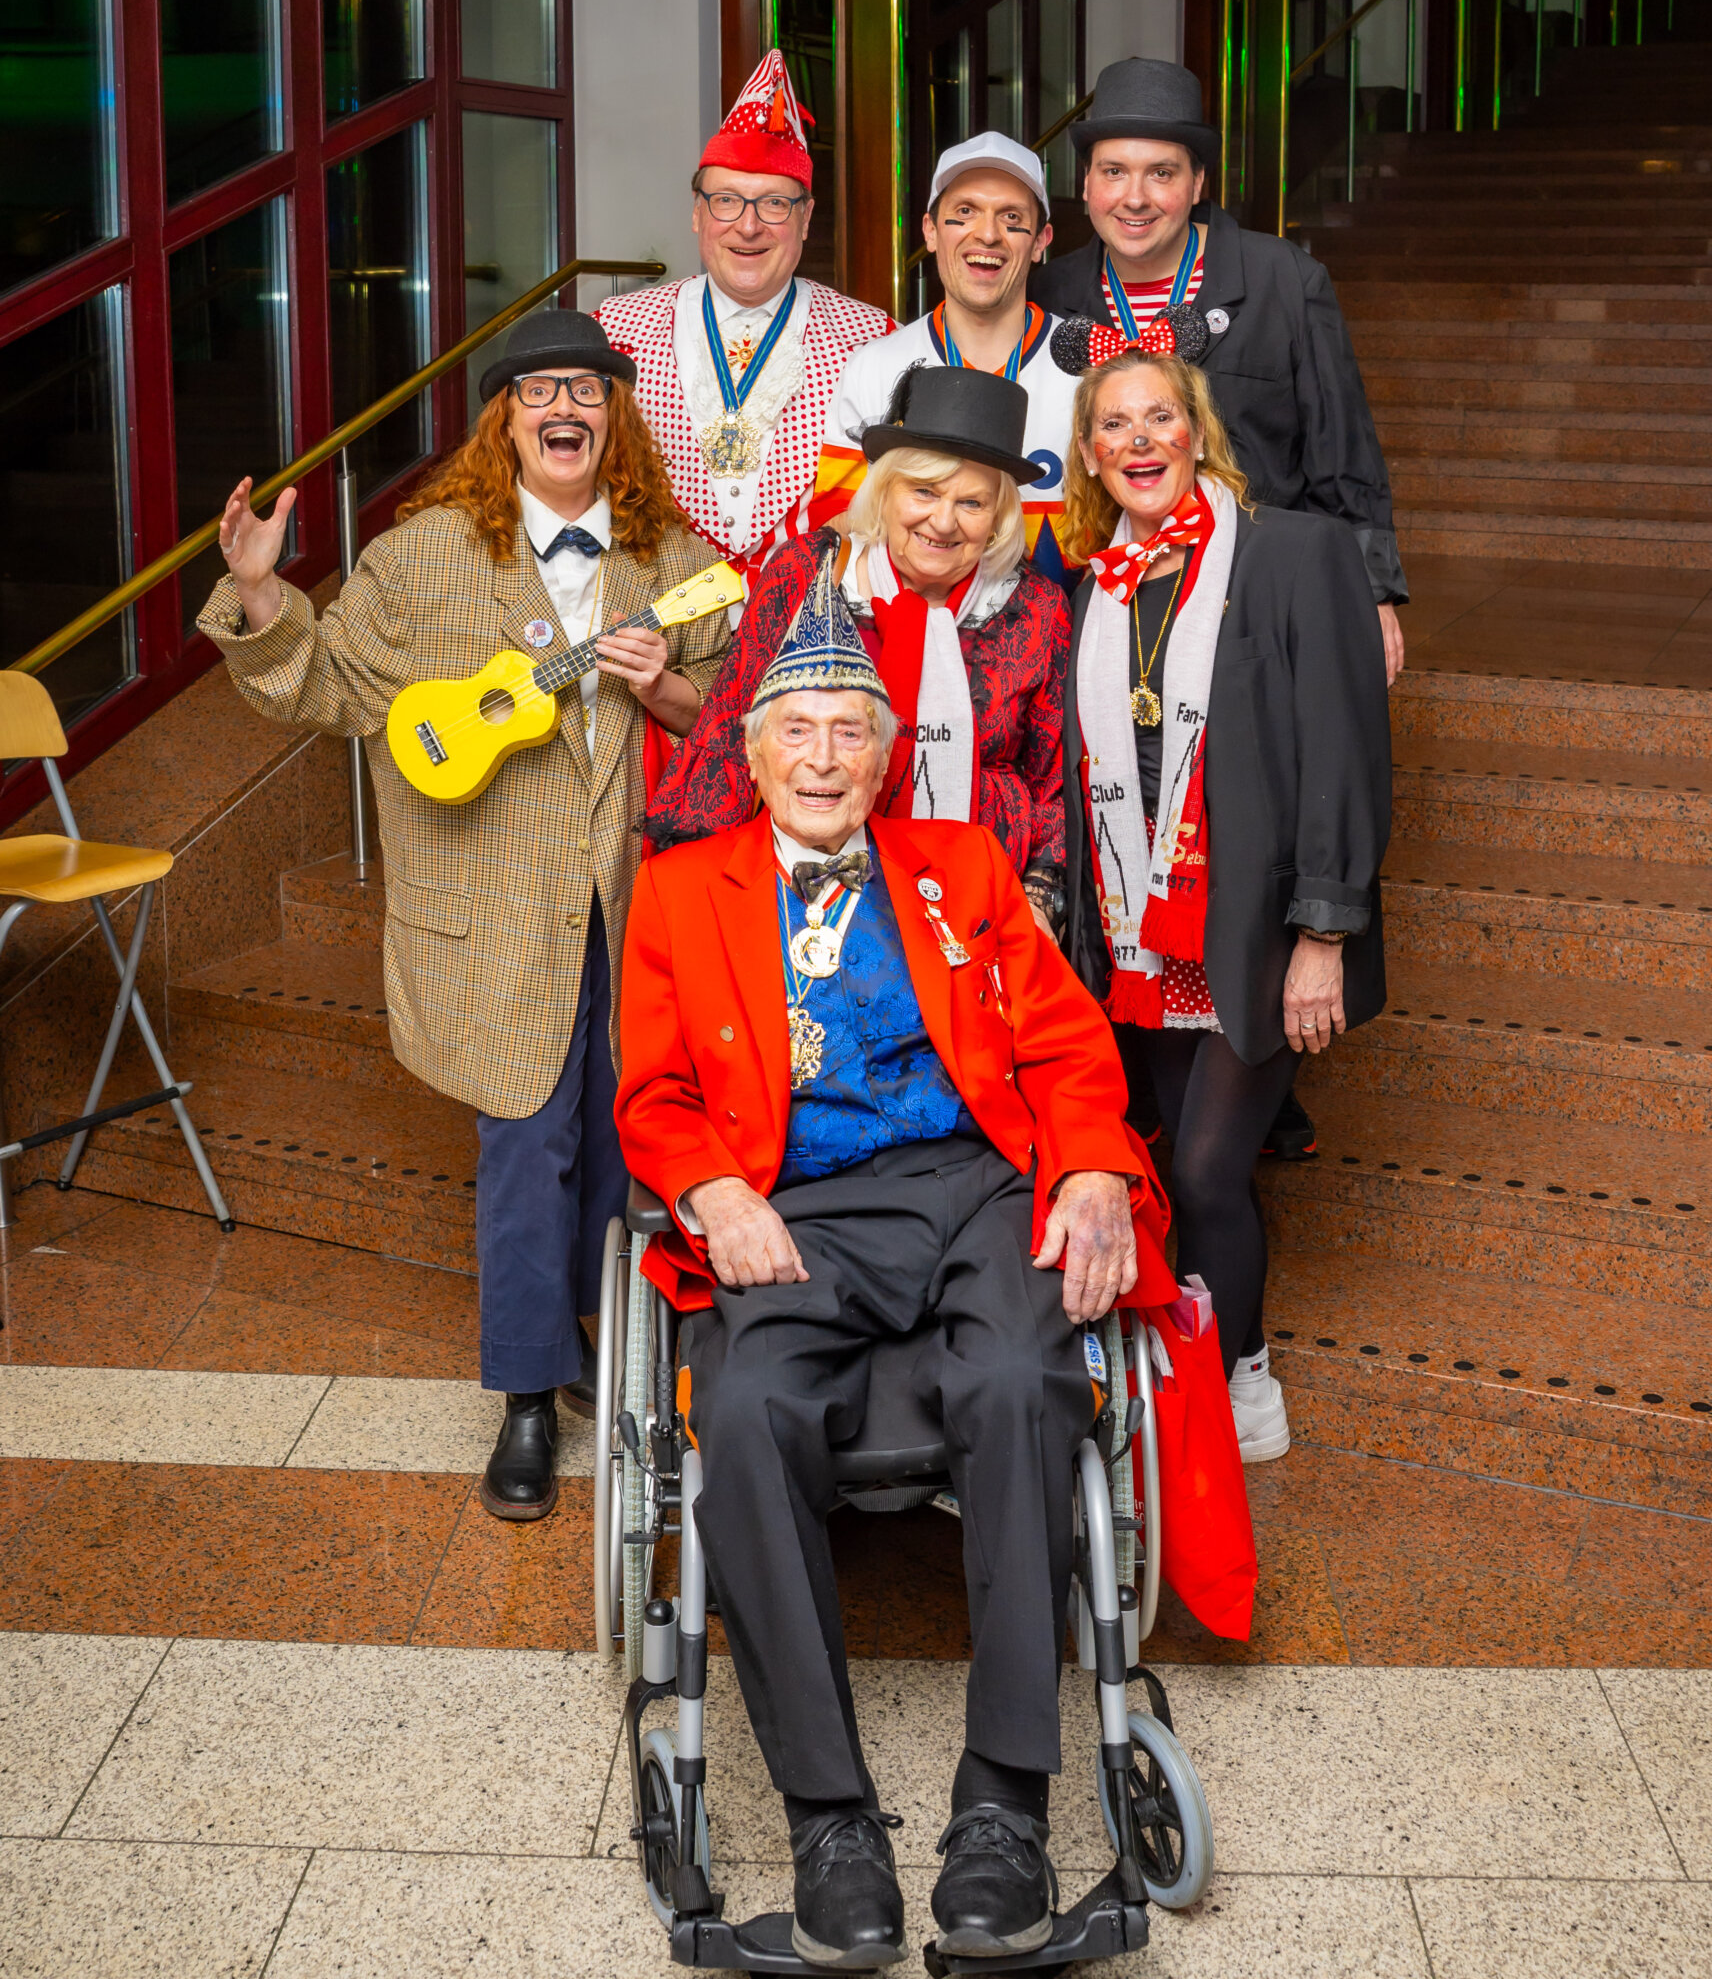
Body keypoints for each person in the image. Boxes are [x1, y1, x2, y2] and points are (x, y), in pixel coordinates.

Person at [616, 557, 1176, 1967]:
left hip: (972, 1183)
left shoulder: (963, 867)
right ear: (752, 754)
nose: (822, 758)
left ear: (883, 757)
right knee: (746, 1410)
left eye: (848, 733)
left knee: (1024, 1383)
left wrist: (1092, 1162)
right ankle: (830, 1822)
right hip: (796, 1202)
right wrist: (710, 1187)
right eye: (796, 732)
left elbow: (1063, 1042)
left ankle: (1004, 1806)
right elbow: (654, 1094)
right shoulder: (680, 891)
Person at [197, 309, 731, 1522]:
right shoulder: (421, 558)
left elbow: (740, 716)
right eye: (540, 390)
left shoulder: (672, 557)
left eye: (586, 390)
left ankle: (590, 1337)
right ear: (503, 419)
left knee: (617, 1131)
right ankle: (527, 1395)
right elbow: (325, 689)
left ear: (615, 418)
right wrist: (263, 592)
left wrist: (667, 687)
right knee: (527, 1140)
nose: (564, 408)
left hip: (632, 905)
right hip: (490, 911)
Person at [1032, 53, 1405, 1164]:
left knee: (1255, 823)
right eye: (1112, 172)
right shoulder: (1055, 290)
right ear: (1085, 186)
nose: (1134, 195)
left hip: (1263, 617)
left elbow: (1340, 439)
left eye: (1161, 172)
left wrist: (1376, 591)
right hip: (1117, 601)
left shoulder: (1282, 280)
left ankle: (1255, 1072)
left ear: (1198, 183)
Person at [1056, 336, 1391, 1464]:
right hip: (1139, 935)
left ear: (1197, 431)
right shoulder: (1094, 587)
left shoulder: (1291, 552)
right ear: (1088, 455)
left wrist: (1323, 935)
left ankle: (1241, 1379)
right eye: (1114, 425)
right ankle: (1188, 1378)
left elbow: (1344, 750)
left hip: (1254, 929)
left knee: (1206, 1171)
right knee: (1172, 1164)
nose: (1139, 440)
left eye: (1160, 417)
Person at [643, 363, 1070, 927]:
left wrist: (1039, 897)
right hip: (801, 890)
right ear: (886, 491)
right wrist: (706, 895)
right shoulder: (807, 572)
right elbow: (729, 728)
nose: (943, 522)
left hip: (980, 898)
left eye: (972, 503)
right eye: (924, 491)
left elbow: (1052, 779)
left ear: (998, 517)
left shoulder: (1035, 607)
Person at [597, 47, 891, 589]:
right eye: (727, 201)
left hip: (810, 613)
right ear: (696, 212)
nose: (749, 227)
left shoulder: (874, 340)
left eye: (774, 204)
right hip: (651, 612)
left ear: (806, 218)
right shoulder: (615, 331)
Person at [816, 131, 1083, 582]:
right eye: (964, 212)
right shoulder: (874, 367)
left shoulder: (1092, 370)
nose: (988, 234)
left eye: (1012, 217)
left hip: (1062, 622)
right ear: (930, 231)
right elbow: (840, 531)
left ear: (1041, 241)